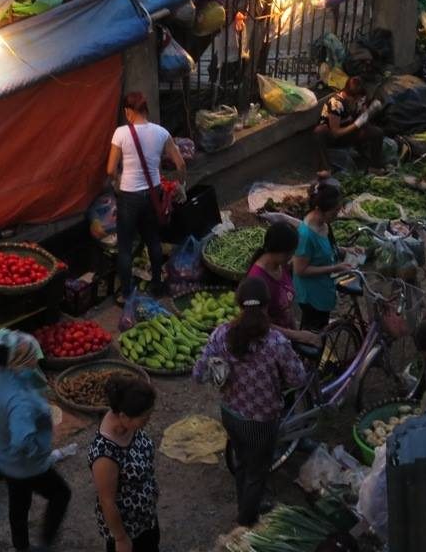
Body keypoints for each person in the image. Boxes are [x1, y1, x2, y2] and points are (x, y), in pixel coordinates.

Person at [193, 278, 307, 526]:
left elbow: (198, 374)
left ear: (238, 303)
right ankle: (245, 522)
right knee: (257, 473)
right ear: (267, 306)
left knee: (242, 463)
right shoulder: (276, 341)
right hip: (262, 422)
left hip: (230, 413)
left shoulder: (221, 334)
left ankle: (243, 504)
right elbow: (298, 379)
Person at [0, 329, 71, 552]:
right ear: (20, 360)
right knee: (61, 494)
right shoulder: (21, 403)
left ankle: (21, 547)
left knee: (19, 503)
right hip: (25, 465)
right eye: (33, 356)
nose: (36, 359)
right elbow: (22, 441)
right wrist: (39, 451)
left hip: (1, 456)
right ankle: (45, 544)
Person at [107, 91, 187, 302]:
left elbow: (110, 169)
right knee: (153, 239)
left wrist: (117, 183)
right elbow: (181, 164)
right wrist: (180, 184)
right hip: (153, 194)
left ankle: (126, 294)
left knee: (124, 246)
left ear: (128, 112)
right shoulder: (161, 133)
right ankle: (157, 287)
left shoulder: (120, 133)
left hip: (129, 196)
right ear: (145, 110)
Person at [89, 375, 160, 552]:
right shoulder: (105, 455)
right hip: (128, 528)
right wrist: (121, 539)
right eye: (144, 418)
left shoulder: (128, 425)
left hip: (145, 517)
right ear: (123, 416)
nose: (148, 421)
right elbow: (107, 501)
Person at [247, 222, 321, 345]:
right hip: (271, 345)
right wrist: (297, 336)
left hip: (286, 337)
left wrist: (295, 331)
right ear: (279, 250)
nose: (292, 257)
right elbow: (260, 324)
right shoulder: (257, 279)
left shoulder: (281, 266)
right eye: (290, 253)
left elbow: (286, 307)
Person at [293, 184, 352, 330]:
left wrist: (347, 250)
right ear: (319, 209)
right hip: (311, 295)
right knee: (313, 335)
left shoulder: (324, 224)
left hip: (324, 287)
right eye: (334, 212)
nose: (337, 215)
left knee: (321, 328)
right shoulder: (305, 235)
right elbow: (300, 270)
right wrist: (335, 268)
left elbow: (327, 249)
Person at [315, 76, 384, 171]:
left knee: (377, 132)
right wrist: (356, 124)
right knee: (320, 131)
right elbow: (335, 133)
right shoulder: (336, 103)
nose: (358, 101)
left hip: (350, 132)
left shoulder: (359, 99)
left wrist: (368, 113)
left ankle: (375, 166)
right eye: (356, 99)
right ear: (348, 96)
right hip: (335, 137)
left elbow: (362, 115)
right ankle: (326, 168)